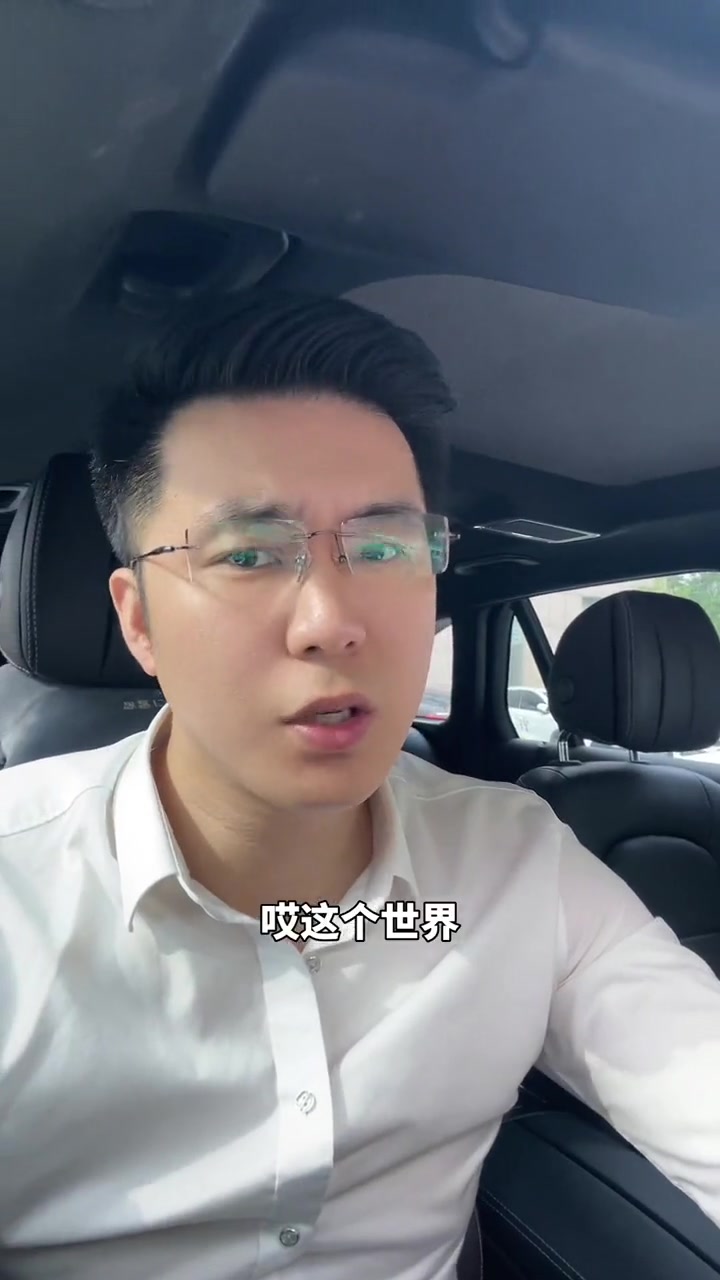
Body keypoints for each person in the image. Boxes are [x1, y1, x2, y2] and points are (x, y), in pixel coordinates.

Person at [0, 290, 719, 1280]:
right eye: (248, 555)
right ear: (140, 621)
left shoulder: (518, 861)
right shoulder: (19, 891)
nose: (331, 621)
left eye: (383, 548)